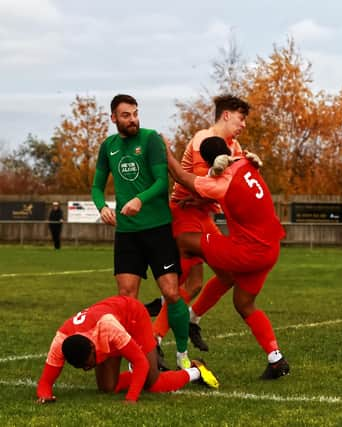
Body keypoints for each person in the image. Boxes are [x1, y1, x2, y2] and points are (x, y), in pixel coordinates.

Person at [163, 135, 290, 379]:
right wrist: (200, 198)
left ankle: (171, 292)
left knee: (183, 240)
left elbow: (181, 177)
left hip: (247, 251)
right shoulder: (244, 162)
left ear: (208, 161)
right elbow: (233, 190)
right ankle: (276, 359)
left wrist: (166, 152)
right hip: (270, 248)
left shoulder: (221, 181)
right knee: (243, 304)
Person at [90, 94, 191, 370]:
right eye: (126, 115)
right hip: (127, 233)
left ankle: (183, 354)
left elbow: (161, 182)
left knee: (171, 293)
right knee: (127, 299)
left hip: (157, 229)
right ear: (113, 118)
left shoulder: (150, 140)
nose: (133, 119)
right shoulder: (107, 147)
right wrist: (102, 207)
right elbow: (97, 187)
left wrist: (139, 199)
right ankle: (138, 358)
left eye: (135, 113)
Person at [149, 95, 250, 354]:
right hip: (185, 214)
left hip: (203, 215)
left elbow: (224, 187)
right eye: (241, 118)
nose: (244, 124)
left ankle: (190, 320)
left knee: (227, 276)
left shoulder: (235, 147)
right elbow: (198, 183)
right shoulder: (203, 139)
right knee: (188, 284)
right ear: (226, 115)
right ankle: (154, 338)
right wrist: (198, 195)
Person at [36, 295, 218, 404]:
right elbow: (45, 383)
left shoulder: (107, 328)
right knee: (107, 387)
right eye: (83, 367)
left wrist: (131, 399)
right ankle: (137, 370)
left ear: (92, 347)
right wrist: (45, 396)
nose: (87, 369)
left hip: (133, 317)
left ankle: (196, 370)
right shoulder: (60, 341)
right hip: (109, 329)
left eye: (88, 364)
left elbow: (140, 361)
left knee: (152, 383)